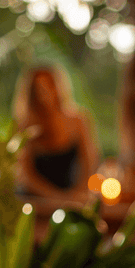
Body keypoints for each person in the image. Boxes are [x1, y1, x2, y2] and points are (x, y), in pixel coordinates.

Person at [13, 66, 100, 201]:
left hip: (72, 200)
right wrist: (56, 198)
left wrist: (78, 194)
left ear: (58, 87)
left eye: (48, 86)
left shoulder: (79, 120)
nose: (44, 94)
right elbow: (25, 176)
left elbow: (90, 162)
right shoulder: (24, 127)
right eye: (38, 89)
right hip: (35, 201)